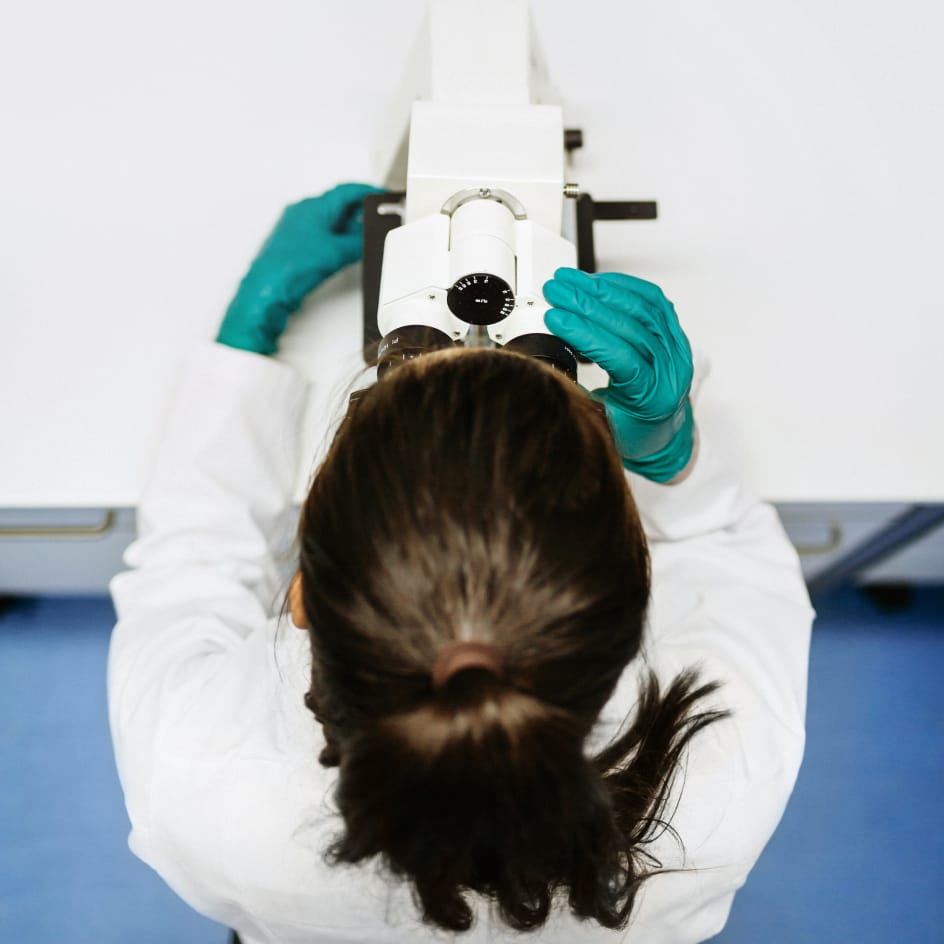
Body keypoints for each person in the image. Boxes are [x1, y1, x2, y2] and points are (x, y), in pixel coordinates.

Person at [108, 183, 814, 944]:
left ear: (304, 594)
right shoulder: (720, 780)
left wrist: (247, 339)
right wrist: (672, 451)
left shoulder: (194, 782)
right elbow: (728, 552)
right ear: (638, 587)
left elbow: (191, 562)